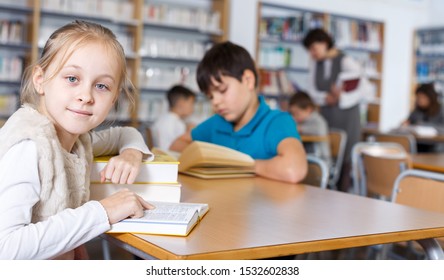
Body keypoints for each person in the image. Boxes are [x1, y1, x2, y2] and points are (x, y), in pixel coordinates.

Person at [0, 20, 155, 260]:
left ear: (114, 99)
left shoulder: (79, 139)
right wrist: (102, 212)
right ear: (40, 80)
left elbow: (126, 134)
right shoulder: (29, 145)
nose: (86, 96)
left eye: (102, 86)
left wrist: (130, 154)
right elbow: (6, 250)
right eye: (72, 78)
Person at [172, 41, 307, 183]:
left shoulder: (276, 121)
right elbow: (177, 145)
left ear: (248, 80)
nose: (215, 102)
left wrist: (237, 165)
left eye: (222, 90)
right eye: (210, 97)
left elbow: (294, 170)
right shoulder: (217, 122)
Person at [302, 28, 370, 191]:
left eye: (314, 48)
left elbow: (364, 87)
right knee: (330, 153)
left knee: (346, 157)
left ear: (324, 44)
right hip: (327, 114)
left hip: (347, 116)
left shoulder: (345, 60)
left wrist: (342, 97)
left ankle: (343, 194)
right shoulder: (314, 63)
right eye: (310, 50)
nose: (312, 53)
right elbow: (312, 90)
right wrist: (325, 98)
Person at [288, 91, 331, 168]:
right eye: (292, 114)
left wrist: (300, 129)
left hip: (321, 163)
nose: (294, 117)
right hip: (308, 160)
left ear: (308, 109)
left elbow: (319, 130)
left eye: (297, 114)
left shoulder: (318, 120)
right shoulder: (302, 121)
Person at [151, 84, 196, 151]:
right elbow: (180, 147)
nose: (193, 107)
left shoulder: (163, 119)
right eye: (191, 103)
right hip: (171, 157)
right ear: (181, 103)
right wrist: (192, 133)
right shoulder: (177, 124)